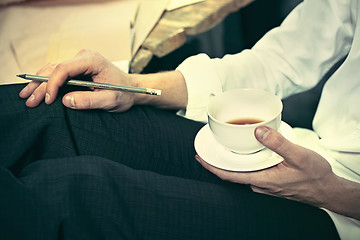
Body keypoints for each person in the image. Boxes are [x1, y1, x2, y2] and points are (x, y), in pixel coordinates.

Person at [1, 0, 359, 239]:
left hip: (343, 213)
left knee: (69, 195)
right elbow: (284, 58)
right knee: (50, 110)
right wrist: (135, 87)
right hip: (309, 151)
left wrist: (333, 192)